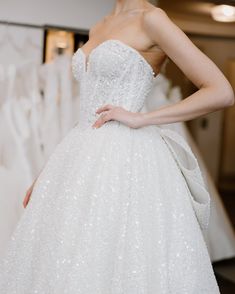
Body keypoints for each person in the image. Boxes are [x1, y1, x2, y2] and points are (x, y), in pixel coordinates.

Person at [0, 0, 234, 293]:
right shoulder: (99, 25)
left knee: (119, 254)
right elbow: (87, 113)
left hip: (126, 157)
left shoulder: (152, 19)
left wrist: (144, 118)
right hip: (79, 155)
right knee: (70, 255)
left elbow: (221, 91)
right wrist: (47, 173)